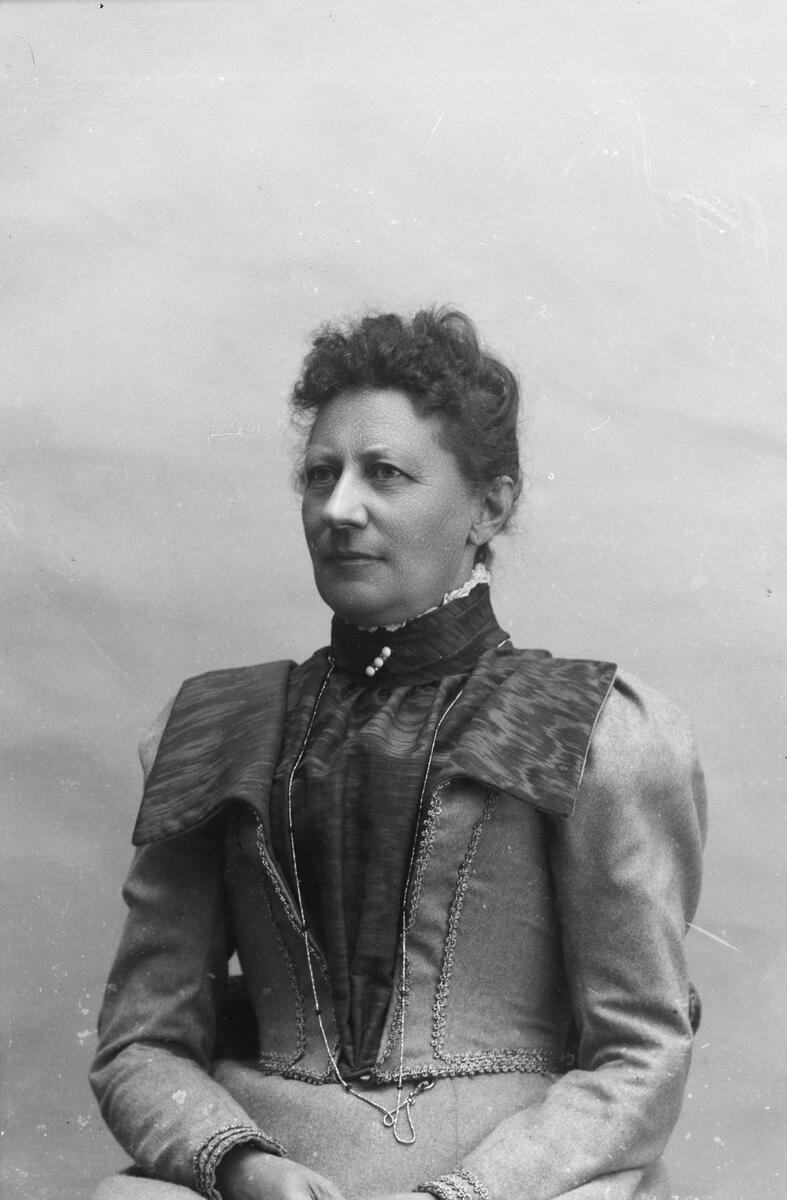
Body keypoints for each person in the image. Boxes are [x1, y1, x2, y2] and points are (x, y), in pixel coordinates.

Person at [90, 308, 707, 1200]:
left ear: (489, 505)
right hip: (269, 1175)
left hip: (513, 1181)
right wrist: (241, 1164)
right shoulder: (222, 728)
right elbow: (141, 1042)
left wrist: (470, 1192)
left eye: (384, 473)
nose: (339, 510)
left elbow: (642, 1053)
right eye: (320, 475)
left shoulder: (585, 728)